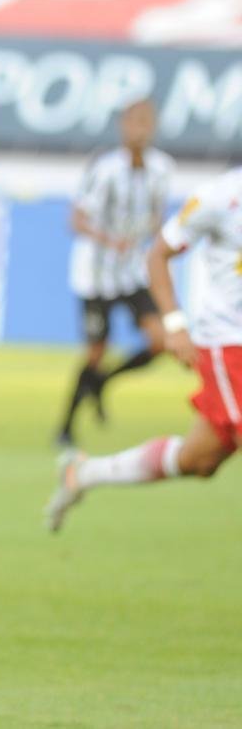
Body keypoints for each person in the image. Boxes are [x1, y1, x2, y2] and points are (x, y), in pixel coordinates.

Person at [46, 167, 242, 532]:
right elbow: (159, 255)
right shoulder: (220, 197)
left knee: (199, 459)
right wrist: (175, 325)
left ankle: (85, 473)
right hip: (231, 346)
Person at [56, 98, 174, 447]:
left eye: (146, 122)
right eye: (134, 121)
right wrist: (109, 239)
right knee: (95, 353)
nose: (140, 129)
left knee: (160, 341)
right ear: (124, 126)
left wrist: (155, 240)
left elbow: (156, 215)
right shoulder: (105, 169)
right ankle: (65, 426)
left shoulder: (162, 168)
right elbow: (76, 219)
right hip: (96, 277)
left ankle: (105, 382)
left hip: (132, 274)